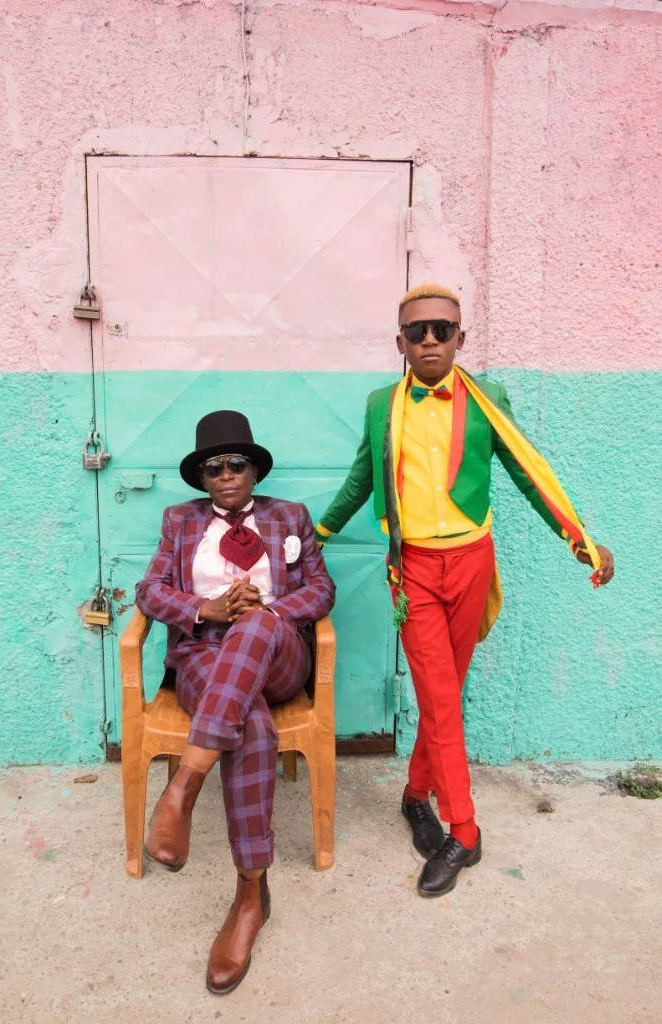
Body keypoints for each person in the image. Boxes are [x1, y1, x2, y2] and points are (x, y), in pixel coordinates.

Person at [314, 283, 614, 899]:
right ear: (399, 341)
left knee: (445, 690)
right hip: (414, 570)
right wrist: (314, 536)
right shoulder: (381, 405)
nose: (429, 339)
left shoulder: (489, 398)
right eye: (417, 330)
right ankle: (466, 829)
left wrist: (579, 539)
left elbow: (529, 474)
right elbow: (360, 481)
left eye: (442, 330)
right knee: (440, 696)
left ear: (461, 338)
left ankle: (413, 795)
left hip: (473, 563)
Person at [136, 410, 335, 993]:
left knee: (255, 630)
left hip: (278, 654)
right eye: (212, 467)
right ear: (201, 477)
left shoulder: (289, 517)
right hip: (203, 656)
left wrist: (268, 613)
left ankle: (184, 786)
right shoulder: (179, 521)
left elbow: (322, 589)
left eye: (235, 464)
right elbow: (149, 590)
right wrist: (207, 610)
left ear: (253, 470)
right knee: (247, 725)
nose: (224, 474)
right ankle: (252, 894)